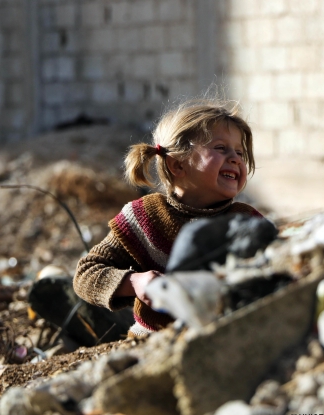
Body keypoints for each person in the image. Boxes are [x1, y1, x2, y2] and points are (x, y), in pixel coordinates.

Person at [73, 98, 263, 338]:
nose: (236, 159)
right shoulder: (145, 217)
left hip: (226, 338)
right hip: (152, 343)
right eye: (220, 148)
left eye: (239, 152)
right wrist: (136, 283)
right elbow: (85, 273)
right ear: (177, 165)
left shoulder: (246, 221)